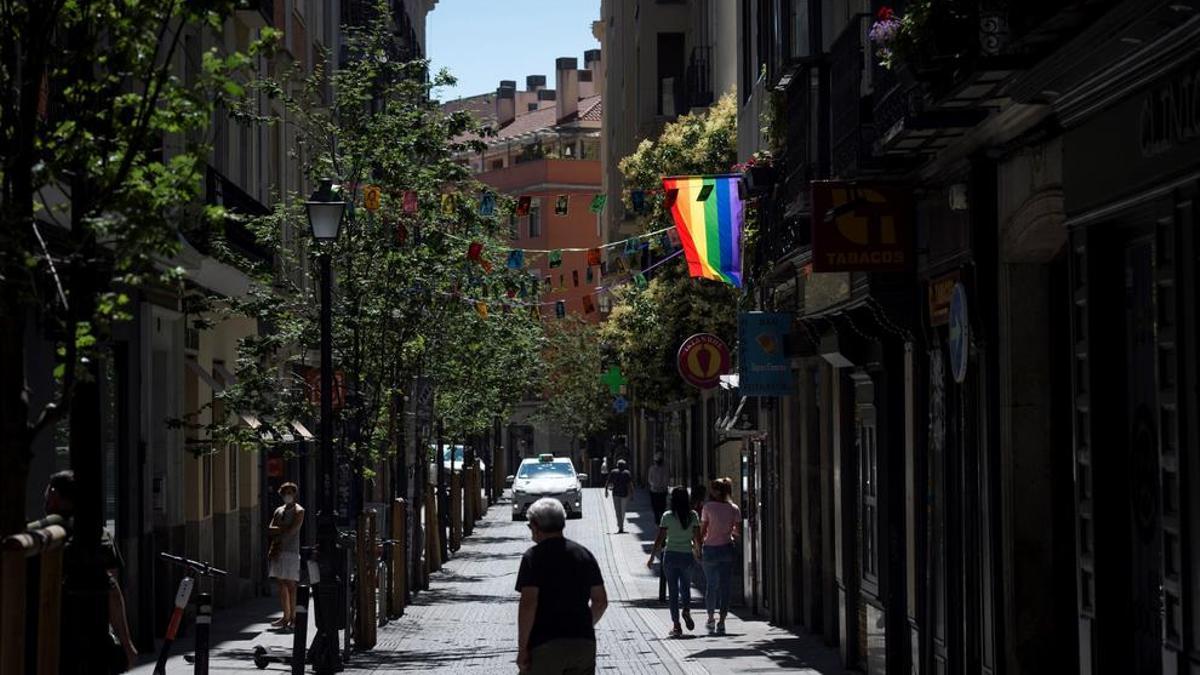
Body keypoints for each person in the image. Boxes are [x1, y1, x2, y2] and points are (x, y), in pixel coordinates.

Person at [45, 470, 138, 672]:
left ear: (54, 495)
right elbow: (113, 592)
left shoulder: (43, 536)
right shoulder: (100, 534)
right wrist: (126, 643)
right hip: (95, 636)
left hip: (52, 639)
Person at [515, 497, 608, 673]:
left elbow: (528, 604)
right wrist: (584, 623)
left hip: (546, 644)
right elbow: (601, 601)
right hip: (583, 644)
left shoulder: (533, 558)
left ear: (536, 526)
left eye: (529, 526)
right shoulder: (584, 555)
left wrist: (522, 649)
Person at [647, 487, 701, 638]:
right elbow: (697, 538)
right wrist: (698, 552)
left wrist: (652, 556)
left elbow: (660, 539)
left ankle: (676, 625)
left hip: (670, 555)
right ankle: (686, 610)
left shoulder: (667, 516)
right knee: (686, 587)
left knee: (672, 591)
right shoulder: (693, 516)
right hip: (687, 556)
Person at [700, 477, 741, 635]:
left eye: (713, 489)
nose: (711, 491)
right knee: (725, 587)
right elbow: (737, 531)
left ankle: (711, 618)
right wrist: (728, 531)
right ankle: (722, 621)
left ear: (717, 491)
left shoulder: (708, 507)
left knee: (711, 586)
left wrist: (698, 545)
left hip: (710, 549)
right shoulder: (734, 508)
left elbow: (703, 530)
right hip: (726, 550)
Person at [267, 482, 305, 629]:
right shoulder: (279, 510)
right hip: (278, 550)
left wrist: (279, 529)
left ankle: (294, 617)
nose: (287, 495)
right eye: (285, 493)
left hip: (291, 551)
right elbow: (270, 529)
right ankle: (285, 616)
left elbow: (293, 530)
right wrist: (283, 528)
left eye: (290, 492)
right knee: (281, 584)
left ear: (294, 494)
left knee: (291, 585)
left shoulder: (299, 510)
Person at [603, 459, 633, 533]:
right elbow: (630, 485)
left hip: (616, 494)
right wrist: (632, 494)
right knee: (622, 511)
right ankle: (621, 526)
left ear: (617, 465)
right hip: (624, 495)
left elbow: (608, 482)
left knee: (617, 511)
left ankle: (620, 526)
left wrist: (606, 490)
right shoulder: (627, 473)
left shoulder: (613, 472)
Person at [647, 453, 669, 527]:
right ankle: (659, 520)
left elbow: (650, 479)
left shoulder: (655, 468)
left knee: (658, 507)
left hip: (657, 490)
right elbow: (650, 479)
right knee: (659, 507)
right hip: (659, 490)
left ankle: (659, 521)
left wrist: (656, 485)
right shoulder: (654, 469)